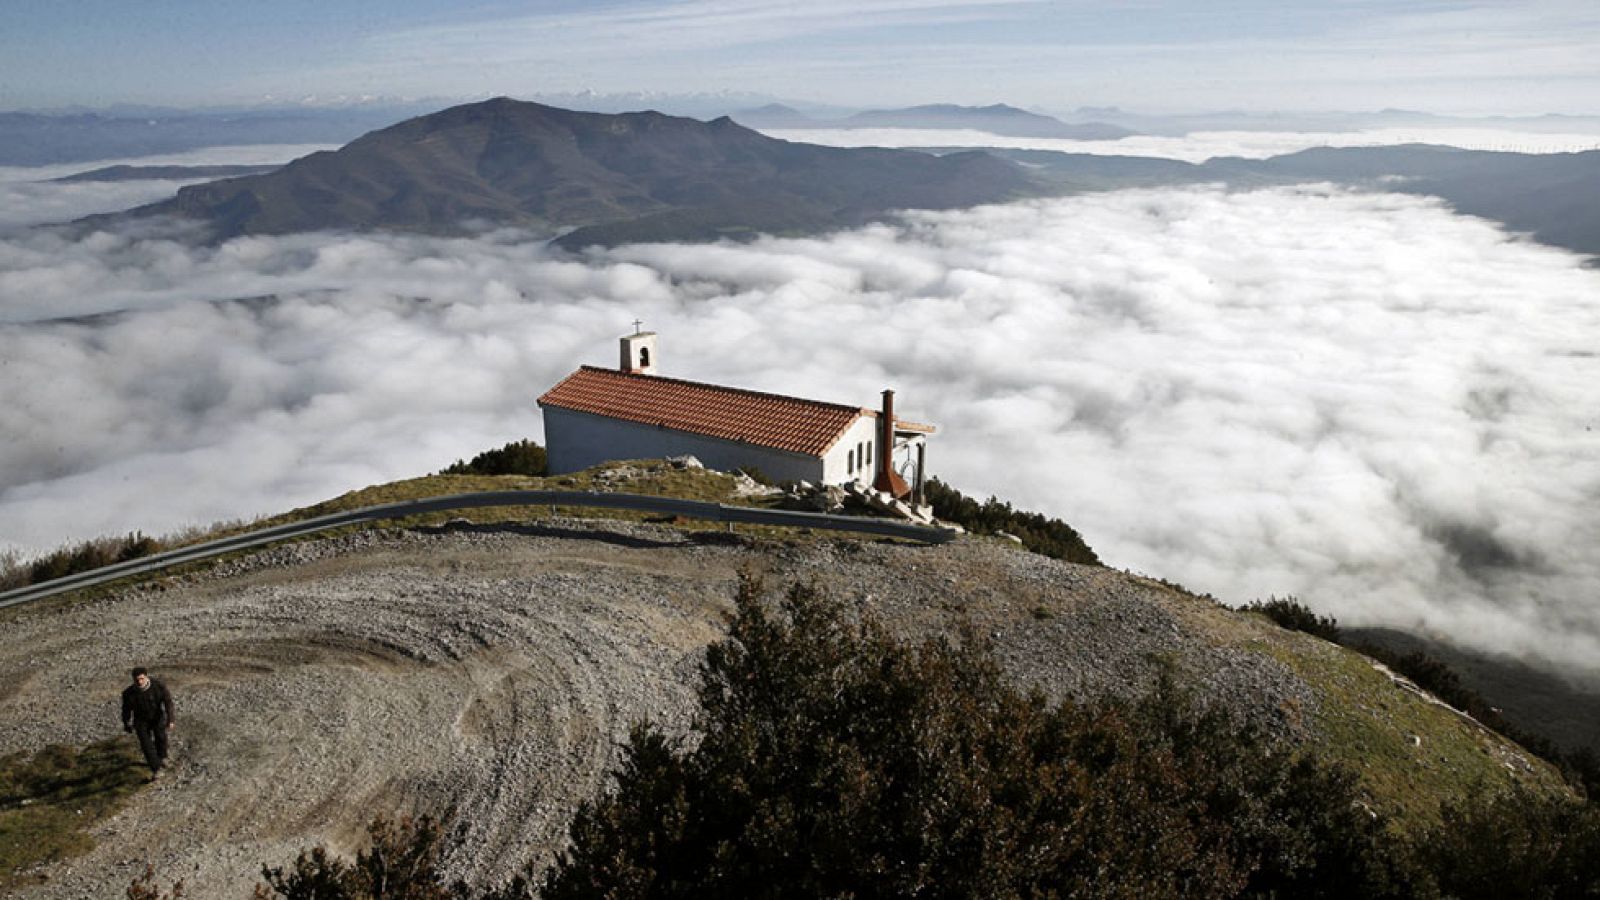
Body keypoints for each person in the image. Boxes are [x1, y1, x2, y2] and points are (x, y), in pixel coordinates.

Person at [121, 667, 175, 779]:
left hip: (157, 717)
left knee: (161, 737)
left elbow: (168, 703)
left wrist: (171, 719)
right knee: (146, 746)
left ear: (146, 676)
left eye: (141, 679)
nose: (140, 682)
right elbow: (126, 710)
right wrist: (126, 723)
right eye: (137, 680)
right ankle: (156, 768)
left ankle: (162, 757)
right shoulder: (129, 693)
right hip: (141, 721)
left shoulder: (158, 687)